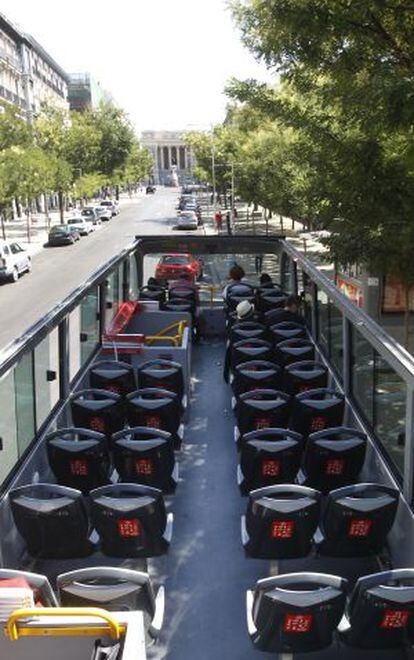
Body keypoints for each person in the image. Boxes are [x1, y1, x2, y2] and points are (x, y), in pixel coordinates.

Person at [223, 300, 256, 382]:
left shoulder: (234, 329)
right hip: (257, 363)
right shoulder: (259, 328)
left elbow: (229, 352)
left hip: (238, 364)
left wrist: (226, 372)